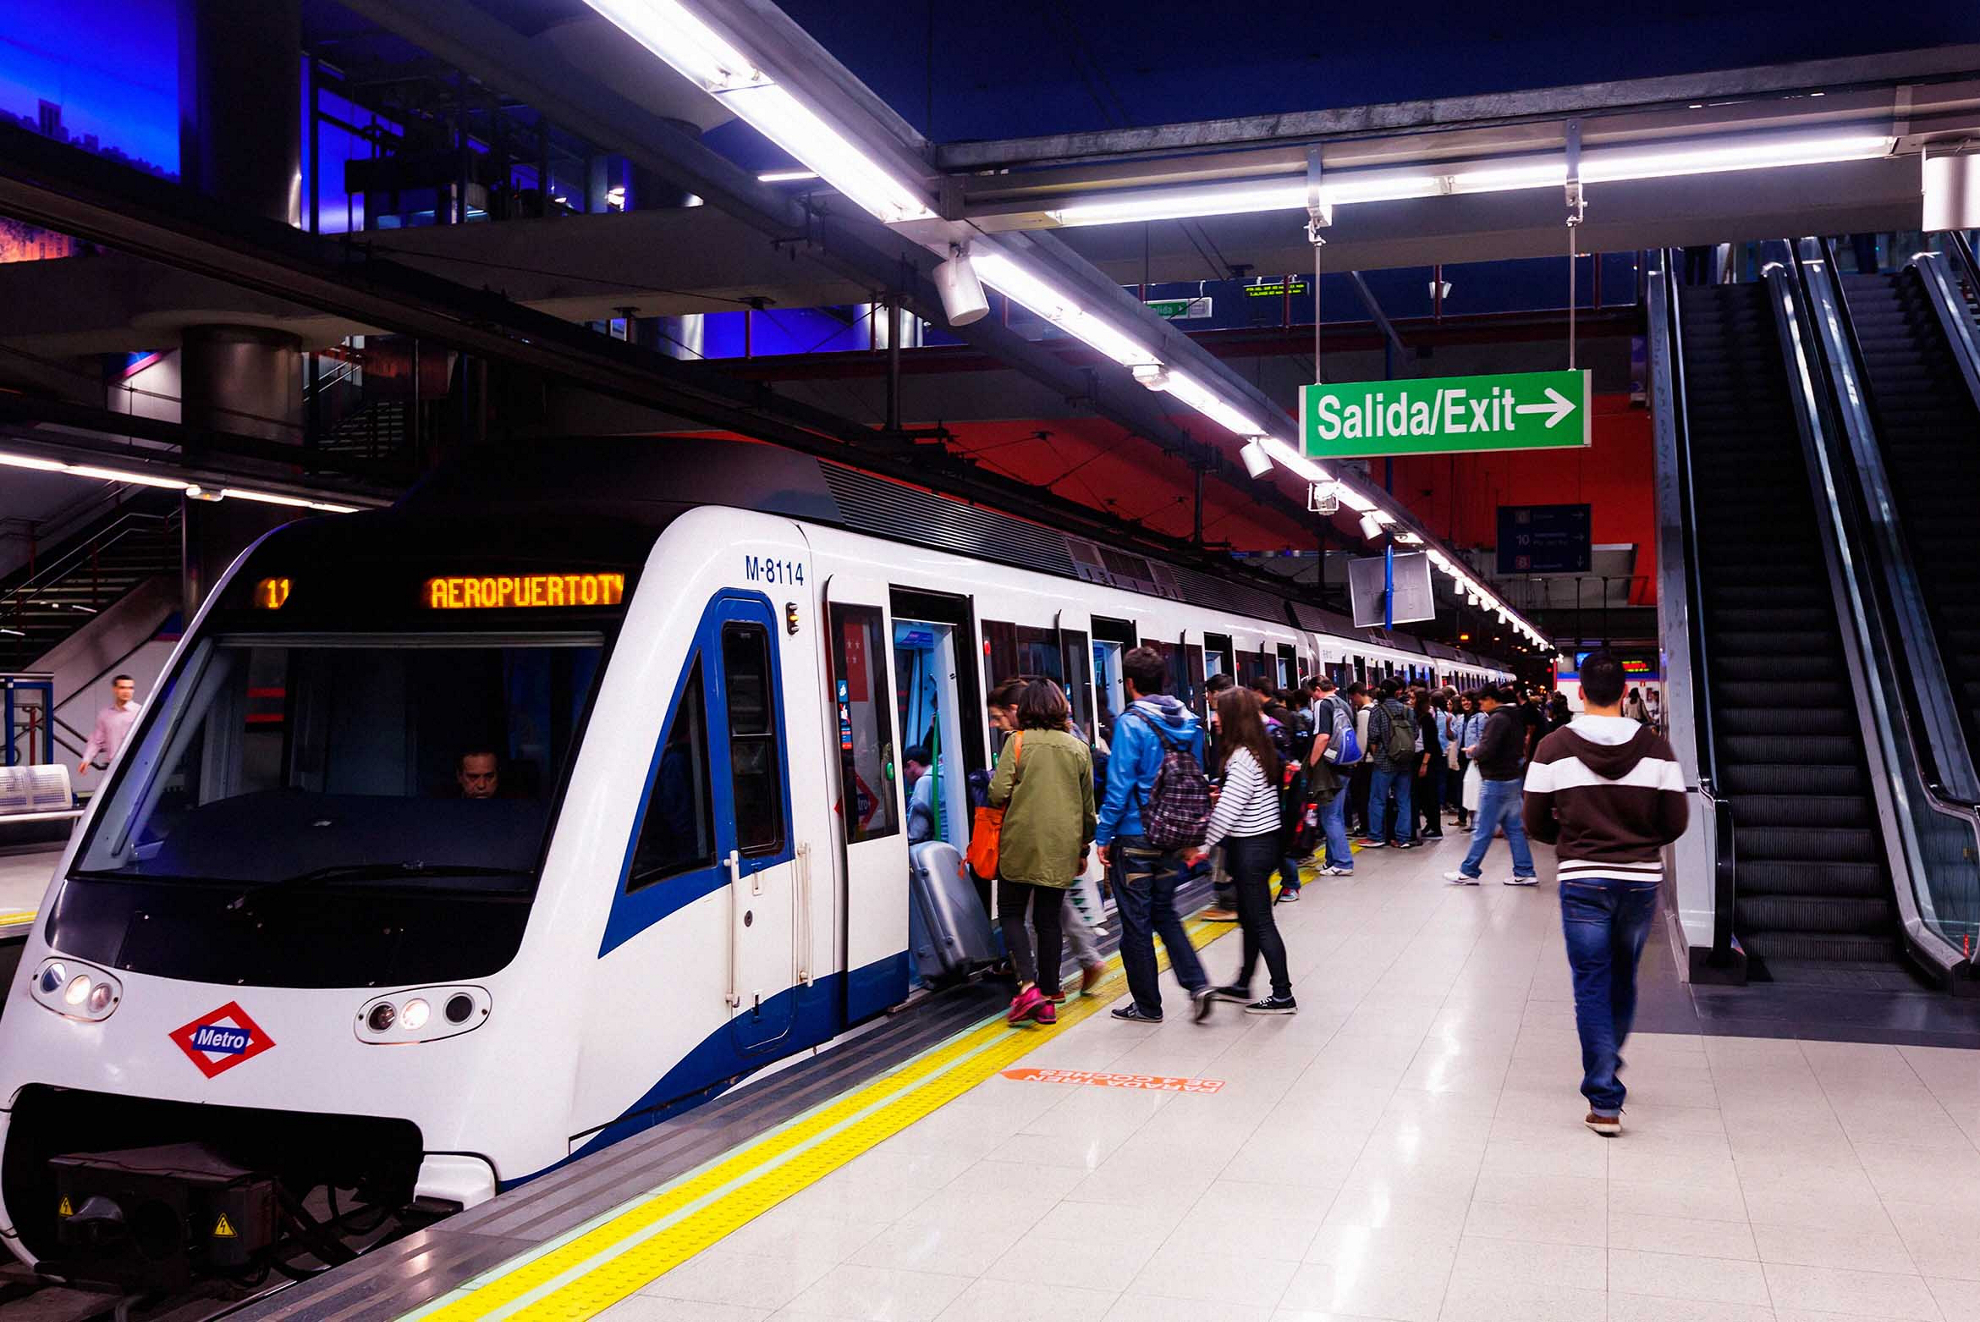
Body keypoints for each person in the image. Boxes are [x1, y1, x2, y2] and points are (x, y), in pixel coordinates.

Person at [1524, 650, 1689, 1135]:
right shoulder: (1657, 748)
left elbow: (1534, 821)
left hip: (1582, 881)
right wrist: (1637, 844)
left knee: (1591, 983)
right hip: (1639, 882)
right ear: (1624, 693)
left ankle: (1604, 1098)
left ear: (1580, 693)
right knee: (1623, 978)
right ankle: (1607, 1068)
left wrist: (1574, 845)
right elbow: (1676, 821)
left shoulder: (1552, 747)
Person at [1094, 646, 1215, 1023]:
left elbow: (1119, 786)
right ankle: (1197, 982)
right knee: (1165, 911)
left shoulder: (1131, 725)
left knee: (1136, 921)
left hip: (1136, 836)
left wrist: (1103, 835)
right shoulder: (1190, 722)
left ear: (1129, 683)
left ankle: (1147, 1005)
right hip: (1174, 833)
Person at [987, 680, 1108, 1000]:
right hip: (1062, 847)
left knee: (1011, 912)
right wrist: (1083, 848)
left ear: (1025, 709)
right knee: (1048, 918)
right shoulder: (1078, 748)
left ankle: (1028, 985)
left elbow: (997, 793)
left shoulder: (1016, 742)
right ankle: (1052, 990)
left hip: (1019, 845)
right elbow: (1087, 807)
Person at [1185, 689, 1297, 1014]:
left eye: (1220, 712)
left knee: (1260, 921)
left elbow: (1228, 813)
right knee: (1250, 919)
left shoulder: (1242, 757)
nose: (1215, 718)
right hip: (1261, 842)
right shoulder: (1256, 750)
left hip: (1252, 846)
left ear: (1234, 716)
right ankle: (1243, 982)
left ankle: (1282, 994)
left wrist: (1202, 846)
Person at [1444, 685, 1538, 885]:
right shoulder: (1514, 715)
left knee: (1482, 828)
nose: (1480, 706)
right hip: (1512, 777)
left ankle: (1469, 870)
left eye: (1481, 702)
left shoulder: (1497, 718)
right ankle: (1525, 871)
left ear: (1490, 699)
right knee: (1513, 828)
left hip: (1496, 780)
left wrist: (1473, 751)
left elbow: (1488, 748)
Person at [1305, 677, 1356, 877]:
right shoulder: (1343, 703)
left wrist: (1312, 764)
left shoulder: (1321, 704)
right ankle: (1332, 861)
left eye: (1312, 694)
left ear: (1317, 690)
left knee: (1330, 816)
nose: (1312, 699)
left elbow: (1323, 736)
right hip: (1345, 764)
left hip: (1330, 767)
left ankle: (1343, 862)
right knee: (1336, 815)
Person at [1363, 681, 1419, 849]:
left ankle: (1376, 836)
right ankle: (1403, 838)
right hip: (1405, 762)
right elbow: (1414, 734)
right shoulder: (1408, 710)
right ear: (1399, 691)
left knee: (1378, 799)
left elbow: (1373, 737)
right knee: (1404, 800)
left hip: (1384, 762)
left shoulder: (1378, 711)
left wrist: (1379, 754)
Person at [78, 674, 141, 778]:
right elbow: (96, 741)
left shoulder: (140, 712)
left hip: (135, 764)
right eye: (122, 687)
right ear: (115, 689)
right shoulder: (105, 714)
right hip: (113, 766)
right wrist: (86, 759)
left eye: (130, 688)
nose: (127, 691)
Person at [1413, 689, 1446, 841]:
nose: (1410, 700)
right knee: (1423, 795)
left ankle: (1435, 827)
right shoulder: (1417, 717)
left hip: (1429, 760)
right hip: (1420, 758)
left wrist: (1424, 764)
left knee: (1430, 795)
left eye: (1413, 698)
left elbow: (1431, 744)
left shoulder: (1427, 719)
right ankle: (1430, 824)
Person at [904, 745, 937, 843]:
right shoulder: (940, 773)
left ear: (911, 764)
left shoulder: (924, 782)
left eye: (904, 770)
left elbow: (915, 833)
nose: (905, 776)